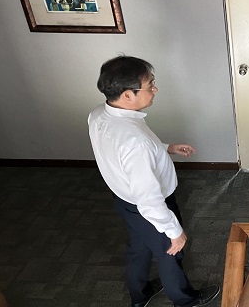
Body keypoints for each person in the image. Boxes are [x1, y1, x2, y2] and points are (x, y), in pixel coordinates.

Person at [88, 56, 220, 307]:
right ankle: (185, 300)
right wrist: (174, 232)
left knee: (139, 248)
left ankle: (140, 295)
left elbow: (123, 152)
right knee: (170, 252)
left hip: (125, 200)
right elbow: (149, 200)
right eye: (150, 86)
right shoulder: (136, 142)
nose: (155, 89)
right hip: (150, 205)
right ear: (128, 95)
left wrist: (165, 148)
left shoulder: (98, 115)